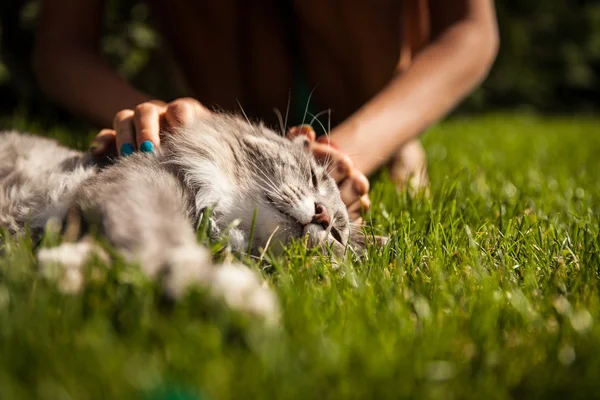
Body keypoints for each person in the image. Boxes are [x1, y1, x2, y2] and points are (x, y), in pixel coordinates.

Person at [32, 0, 499, 221]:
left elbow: (471, 29)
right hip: (235, 84)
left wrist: (338, 156)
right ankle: (233, 141)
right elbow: (62, 48)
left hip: (360, 81)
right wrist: (167, 124)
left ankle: (393, 141)